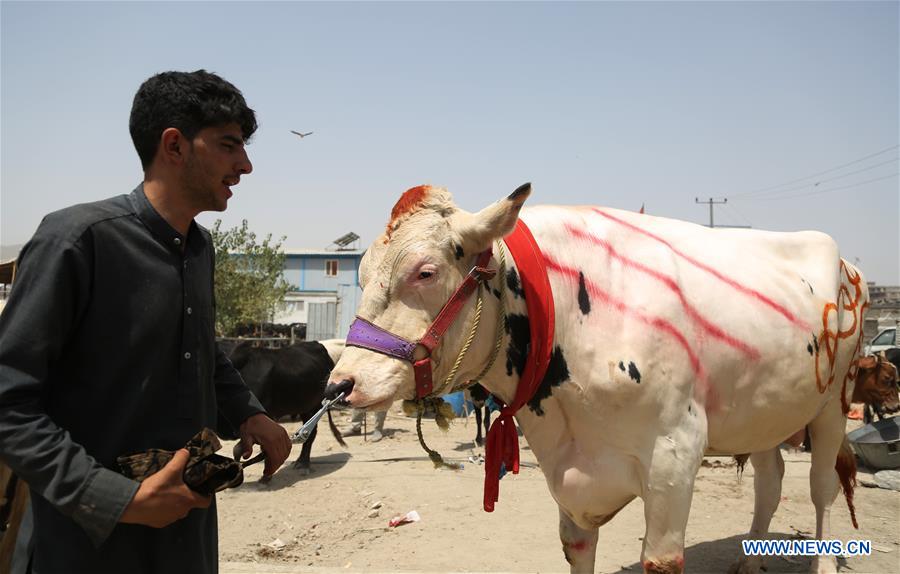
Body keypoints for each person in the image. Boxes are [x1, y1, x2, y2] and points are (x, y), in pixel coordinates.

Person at [0, 70, 291, 574]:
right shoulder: (78, 239)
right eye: (228, 145)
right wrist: (113, 498)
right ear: (174, 146)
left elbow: (202, 347)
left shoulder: (199, 249)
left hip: (186, 542)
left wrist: (249, 413)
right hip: (85, 548)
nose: (244, 165)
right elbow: (8, 401)